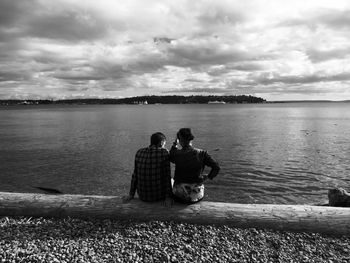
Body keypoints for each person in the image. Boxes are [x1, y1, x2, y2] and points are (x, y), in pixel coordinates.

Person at [170, 128, 220, 204]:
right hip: (197, 196)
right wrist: (209, 176)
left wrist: (174, 144)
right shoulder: (202, 153)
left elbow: (171, 155)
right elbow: (216, 167)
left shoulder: (176, 154)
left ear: (180, 140)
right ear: (191, 139)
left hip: (179, 196)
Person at [123, 132, 173, 207]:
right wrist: (168, 197)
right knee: (172, 180)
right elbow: (167, 176)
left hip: (143, 196)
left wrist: (131, 194)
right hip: (158, 196)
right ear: (162, 142)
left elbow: (135, 175)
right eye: (164, 144)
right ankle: (168, 198)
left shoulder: (139, 152)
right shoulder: (164, 152)